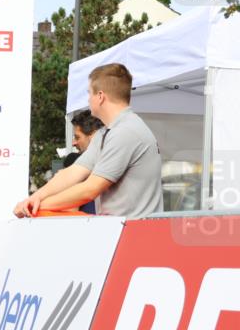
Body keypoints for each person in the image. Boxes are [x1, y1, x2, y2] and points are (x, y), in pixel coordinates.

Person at [14, 63, 163, 219]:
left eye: (89, 94)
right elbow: (73, 172)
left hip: (135, 233)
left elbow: (91, 188)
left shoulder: (125, 131)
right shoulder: (107, 132)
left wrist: (37, 206)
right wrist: (34, 198)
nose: (88, 100)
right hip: (120, 230)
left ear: (100, 96)